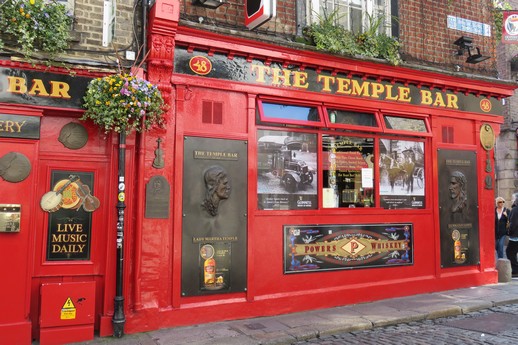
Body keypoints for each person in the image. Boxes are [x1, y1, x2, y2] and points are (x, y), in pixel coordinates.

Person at [506, 193, 518, 276]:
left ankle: (515, 270)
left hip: (515, 236)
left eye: (513, 198)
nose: (511, 200)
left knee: (509, 252)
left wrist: (509, 232)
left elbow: (513, 224)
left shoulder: (514, 210)